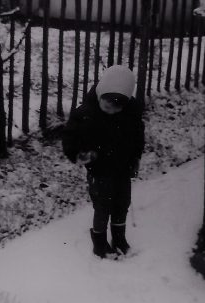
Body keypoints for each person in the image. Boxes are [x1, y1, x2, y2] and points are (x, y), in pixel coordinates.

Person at [62, 65, 145, 259]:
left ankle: (119, 238)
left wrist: (136, 157)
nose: (111, 112)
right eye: (107, 107)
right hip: (99, 170)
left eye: (117, 109)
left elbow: (138, 137)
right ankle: (99, 243)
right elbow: (69, 137)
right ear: (100, 95)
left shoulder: (131, 114)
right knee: (103, 206)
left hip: (123, 168)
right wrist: (77, 154)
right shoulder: (85, 113)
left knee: (122, 203)